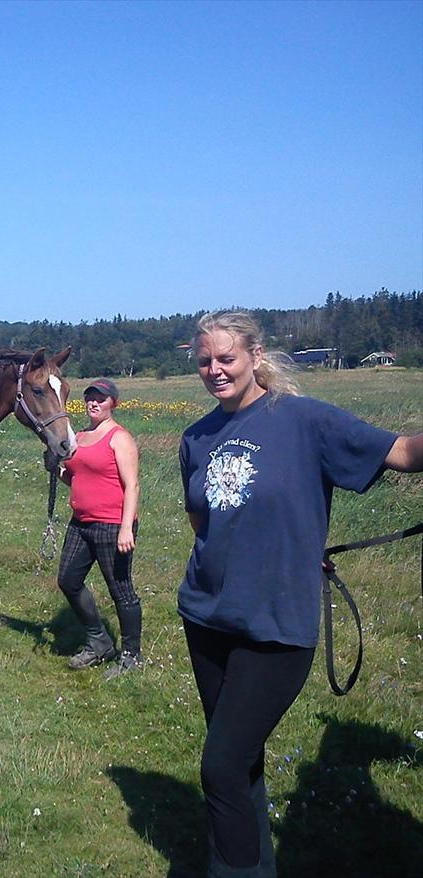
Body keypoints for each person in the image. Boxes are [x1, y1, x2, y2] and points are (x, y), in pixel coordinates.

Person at [179, 310, 422, 878]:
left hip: (276, 625)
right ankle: (255, 864)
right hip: (207, 617)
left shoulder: (304, 421)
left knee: (219, 766)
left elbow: (405, 453)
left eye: (226, 358)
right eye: (204, 361)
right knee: (241, 760)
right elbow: (205, 520)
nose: (215, 370)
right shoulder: (195, 437)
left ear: (255, 357)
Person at [52, 377, 143, 680]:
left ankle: (131, 655)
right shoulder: (79, 436)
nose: (94, 402)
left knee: (120, 589)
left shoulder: (119, 438)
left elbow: (132, 486)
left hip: (112, 524)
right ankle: (99, 641)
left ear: (112, 403)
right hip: (81, 524)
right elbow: (74, 478)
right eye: (90, 397)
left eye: (101, 399)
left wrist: (126, 528)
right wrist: (56, 469)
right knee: (68, 580)